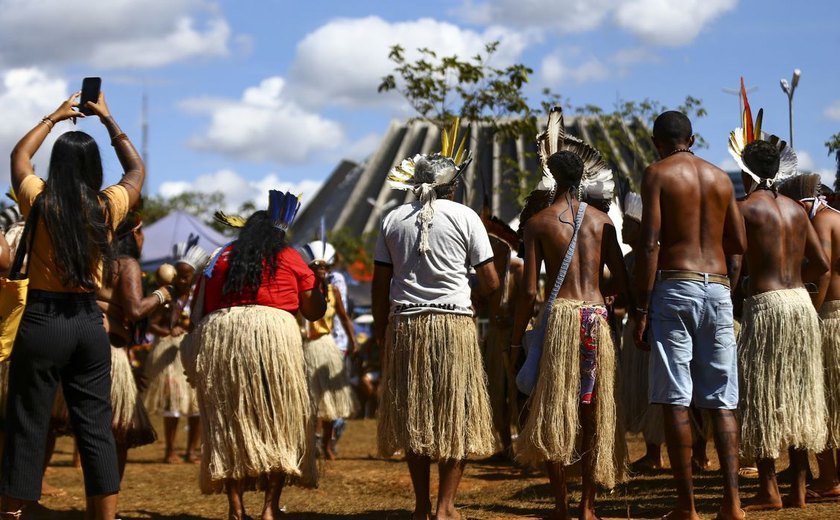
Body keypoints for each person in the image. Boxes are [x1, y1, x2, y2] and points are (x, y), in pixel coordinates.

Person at [1, 91, 144, 519]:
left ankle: (11, 513)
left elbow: (19, 154)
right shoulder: (107, 206)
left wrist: (55, 117)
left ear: (57, 166)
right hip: (88, 323)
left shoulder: (38, 200)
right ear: (93, 168)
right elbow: (136, 169)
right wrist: (108, 119)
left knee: (28, 422)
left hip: (43, 319)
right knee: (96, 427)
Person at [373, 123, 499, 520]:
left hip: (406, 326)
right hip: (454, 325)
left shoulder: (392, 219)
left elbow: (380, 284)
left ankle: (422, 505)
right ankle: (446, 507)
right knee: (455, 414)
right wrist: (478, 299)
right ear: (453, 186)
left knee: (414, 415)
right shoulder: (466, 218)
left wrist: (382, 332)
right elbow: (491, 281)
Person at [511, 106, 628, 520]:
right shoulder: (601, 221)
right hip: (595, 317)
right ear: (583, 179)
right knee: (593, 411)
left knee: (553, 409)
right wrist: (604, 297)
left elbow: (528, 290)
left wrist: (514, 338)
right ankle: (587, 507)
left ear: (553, 178)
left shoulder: (539, 223)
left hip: (560, 318)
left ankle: (560, 505)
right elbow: (623, 280)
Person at [183, 194, 326, 520]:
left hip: (224, 335)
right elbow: (312, 310)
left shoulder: (220, 256)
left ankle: (236, 509)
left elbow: (200, 309)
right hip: (274, 336)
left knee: (230, 420)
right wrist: (319, 287)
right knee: (280, 420)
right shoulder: (289, 256)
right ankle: (269, 509)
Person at [633, 110, 746, 520]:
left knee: (675, 396)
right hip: (717, 286)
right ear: (693, 138)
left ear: (655, 142)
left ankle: (688, 507)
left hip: (675, 284)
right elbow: (737, 242)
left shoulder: (657, 173)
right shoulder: (719, 178)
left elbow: (649, 244)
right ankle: (732, 505)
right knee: (722, 399)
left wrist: (642, 307)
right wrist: (725, 285)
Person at [734, 139, 829, 510]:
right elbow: (820, 263)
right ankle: (800, 491)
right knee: (799, 395)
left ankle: (769, 489)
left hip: (766, 306)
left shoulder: (745, 209)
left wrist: (737, 294)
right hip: (800, 305)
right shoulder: (795, 209)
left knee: (763, 396)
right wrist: (801, 290)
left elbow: (735, 265)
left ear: (747, 173)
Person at [778, 174, 840, 499]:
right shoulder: (837, 217)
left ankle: (829, 479)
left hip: (831, 318)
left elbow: (824, 269)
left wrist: (811, 314)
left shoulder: (821, 222)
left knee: (826, 401)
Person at [97, 214, 171, 479]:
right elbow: (135, 309)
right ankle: (105, 508)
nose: (144, 239)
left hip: (86, 346)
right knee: (119, 431)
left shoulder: (94, 262)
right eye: (141, 233)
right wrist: (163, 294)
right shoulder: (126, 264)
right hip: (108, 352)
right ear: (132, 235)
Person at [144, 239, 208, 464]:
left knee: (196, 403)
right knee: (173, 402)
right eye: (179, 275)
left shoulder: (199, 296)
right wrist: (166, 331)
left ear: (193, 276)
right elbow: (150, 323)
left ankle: (192, 451)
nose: (182, 280)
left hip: (192, 349)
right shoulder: (166, 297)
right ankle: (169, 450)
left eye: (186, 276)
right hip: (170, 353)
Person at [616, 192, 666, 472]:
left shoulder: (656, 254)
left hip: (656, 329)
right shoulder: (629, 258)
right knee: (644, 389)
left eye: (628, 224)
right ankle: (653, 452)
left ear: (641, 227)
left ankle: (697, 453)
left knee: (659, 390)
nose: (623, 229)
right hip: (638, 329)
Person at [299, 240, 357, 460]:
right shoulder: (302, 290)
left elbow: (343, 316)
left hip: (328, 345)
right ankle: (312, 443)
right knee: (312, 398)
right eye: (317, 267)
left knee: (331, 398)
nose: (321, 271)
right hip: (308, 346)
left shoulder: (333, 292)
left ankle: (327, 444)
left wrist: (353, 341)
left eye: (324, 267)